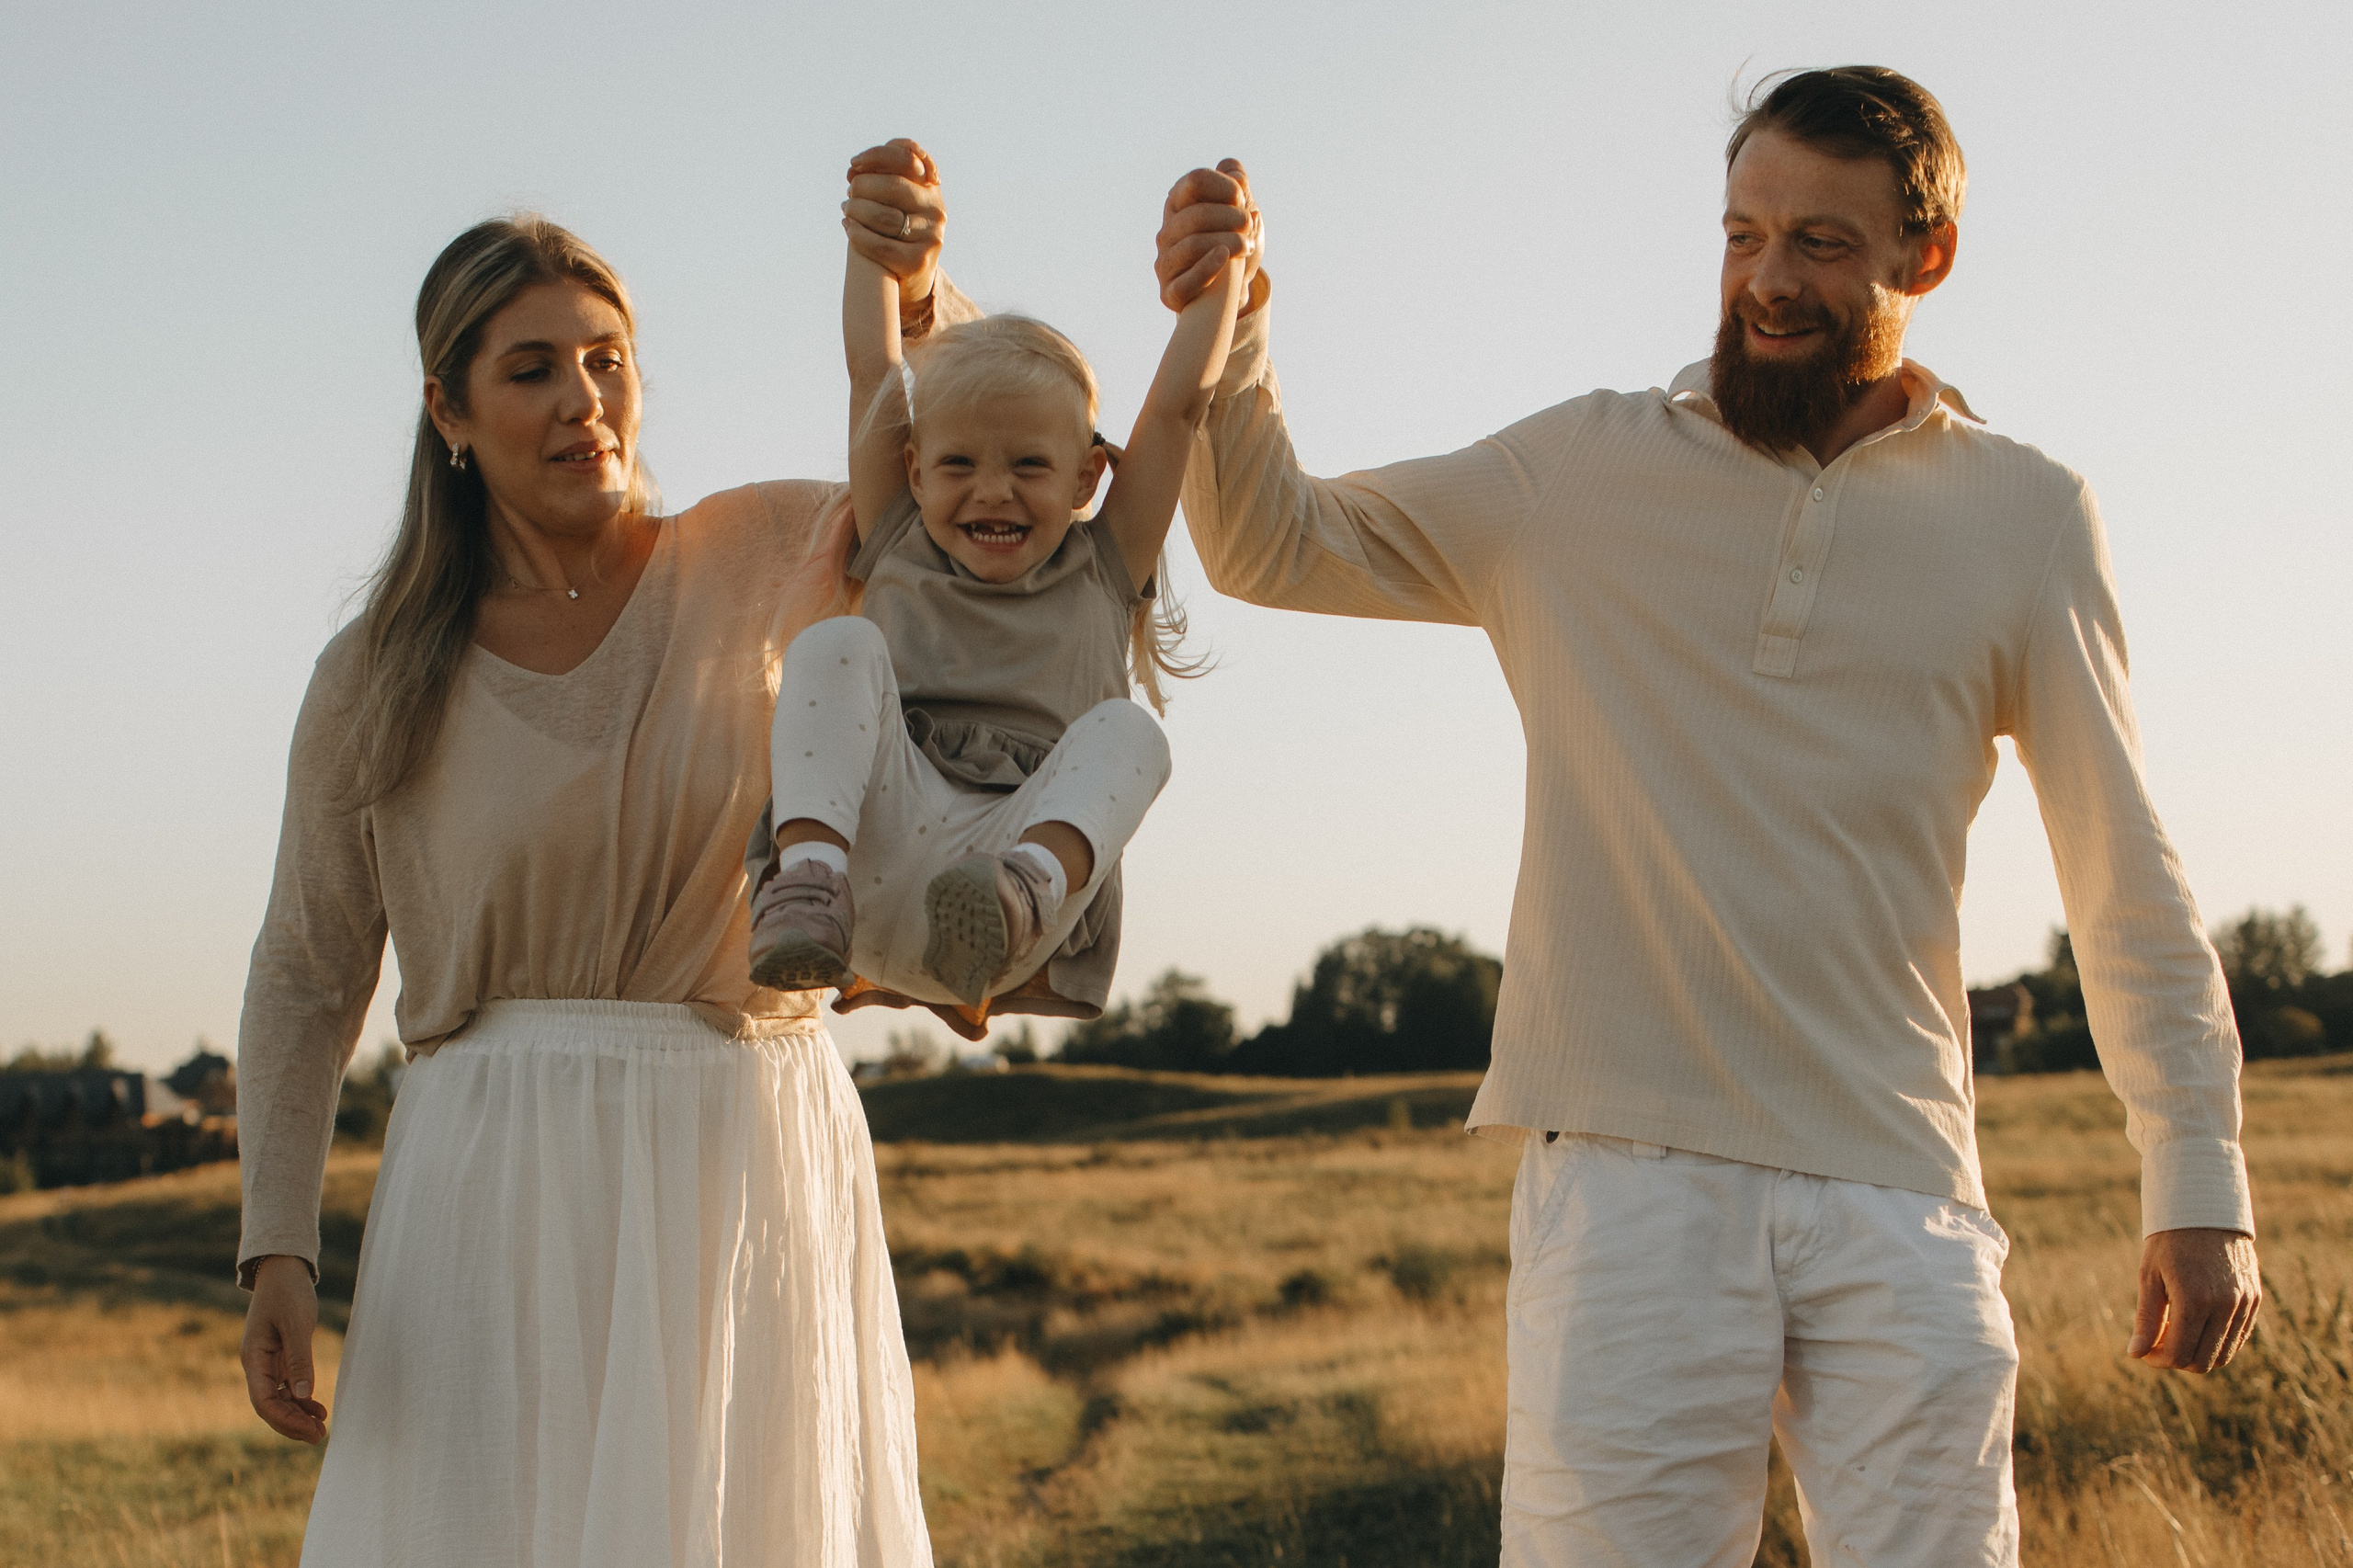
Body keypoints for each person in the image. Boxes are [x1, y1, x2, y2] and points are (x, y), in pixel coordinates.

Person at [1154, 67, 2261, 1567]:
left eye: (1820, 243)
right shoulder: (1579, 471)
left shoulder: (2028, 515)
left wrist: (2197, 1172)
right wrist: (1229, 331)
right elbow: (1271, 543)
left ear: (1926, 257)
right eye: (1743, 235)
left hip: (1903, 1190)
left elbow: (2121, 866)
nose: (1767, 280)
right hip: (1627, 1186)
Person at [233, 143, 967, 1566]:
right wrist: (278, 1241)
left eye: (608, 359)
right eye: (533, 369)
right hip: (494, 1182)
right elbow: (307, 971)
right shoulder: (377, 671)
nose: (585, 397)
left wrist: (916, 295)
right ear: (448, 408)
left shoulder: (762, 551)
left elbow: (956, 497)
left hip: (741, 1157)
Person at [743, 147, 1246, 1039]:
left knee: (1131, 732)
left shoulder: (1102, 566)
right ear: (914, 469)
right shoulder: (898, 535)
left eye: (1028, 465)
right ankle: (808, 879)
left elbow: (1177, 409)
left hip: (1015, 880)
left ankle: (1018, 892)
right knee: (837, 644)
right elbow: (873, 372)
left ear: (1087, 476)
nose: (992, 491)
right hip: (871, 854)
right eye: (959, 464)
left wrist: (1224, 270)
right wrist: (873, 244)